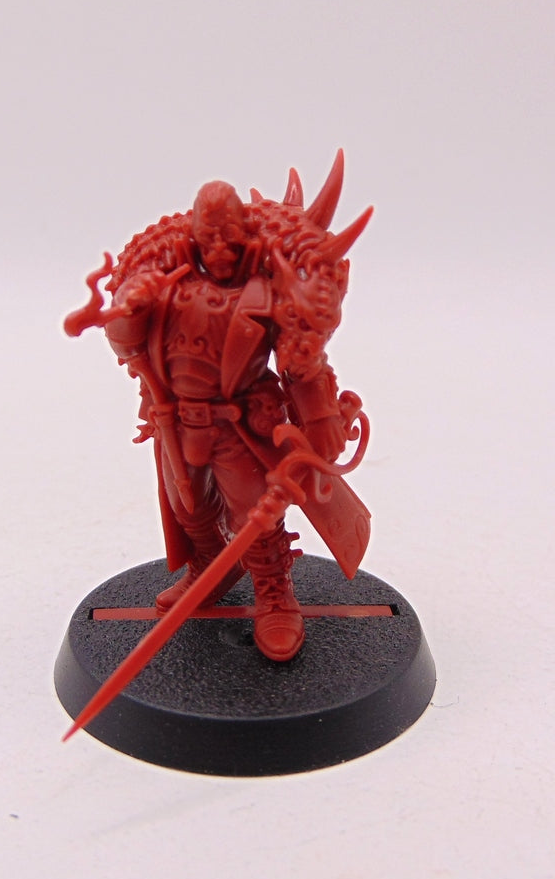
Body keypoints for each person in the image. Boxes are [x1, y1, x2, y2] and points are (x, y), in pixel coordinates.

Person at [79, 153, 373, 661]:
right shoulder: (166, 285)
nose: (219, 250)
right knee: (189, 507)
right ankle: (209, 564)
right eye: (208, 238)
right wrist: (132, 306)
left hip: (239, 425)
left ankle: (273, 594)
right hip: (177, 421)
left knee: (254, 514)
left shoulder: (264, 293)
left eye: (229, 237)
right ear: (193, 237)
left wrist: (319, 421)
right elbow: (126, 345)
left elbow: (300, 361)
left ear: (247, 236)